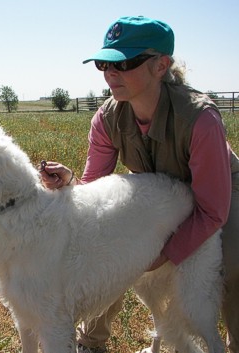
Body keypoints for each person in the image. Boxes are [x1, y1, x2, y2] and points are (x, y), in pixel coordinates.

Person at [40, 16, 239, 353]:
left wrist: (161, 254)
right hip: (160, 196)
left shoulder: (200, 119)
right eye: (104, 63)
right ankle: (91, 342)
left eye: (125, 62)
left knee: (231, 264)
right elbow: (94, 188)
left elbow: (212, 210)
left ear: (161, 66)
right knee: (108, 247)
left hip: (219, 195)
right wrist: (73, 183)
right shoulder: (107, 118)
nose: (111, 73)